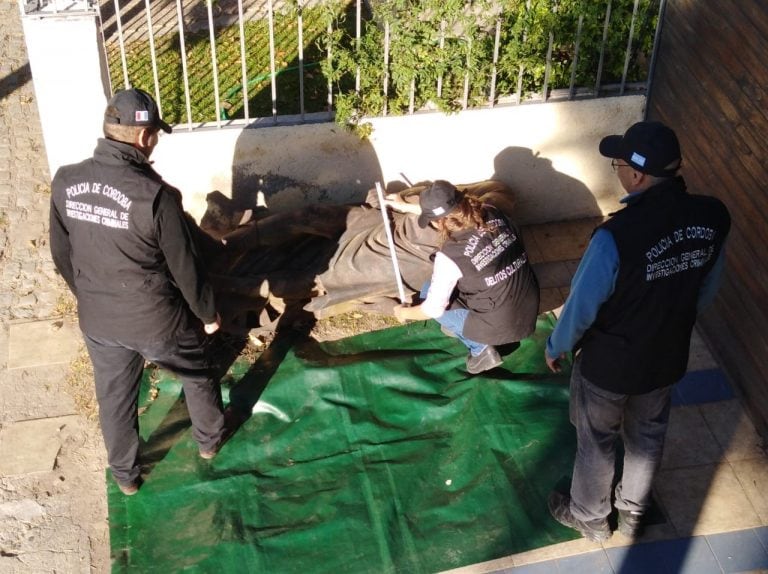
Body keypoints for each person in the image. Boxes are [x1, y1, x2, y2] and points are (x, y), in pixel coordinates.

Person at [544, 121, 730, 541]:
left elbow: (581, 306)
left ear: (638, 175)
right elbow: (708, 288)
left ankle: (591, 519)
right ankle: (634, 514)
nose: (619, 170)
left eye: (619, 163)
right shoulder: (713, 216)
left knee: (597, 441)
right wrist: (670, 322)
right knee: (647, 437)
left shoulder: (616, 236)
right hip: (666, 356)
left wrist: (557, 345)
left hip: (609, 365)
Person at [49, 88, 228, 496]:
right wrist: (207, 313)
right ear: (144, 137)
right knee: (196, 372)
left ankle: (126, 477)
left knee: (114, 397)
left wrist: (92, 295)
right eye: (155, 136)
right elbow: (186, 266)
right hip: (155, 320)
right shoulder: (156, 197)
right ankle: (209, 441)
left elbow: (61, 252)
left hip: (98, 318)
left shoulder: (66, 180)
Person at [386, 180, 540, 374]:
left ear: (437, 222)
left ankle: (482, 350)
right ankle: (470, 327)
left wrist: (403, 313)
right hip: (528, 306)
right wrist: (404, 206)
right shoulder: (492, 211)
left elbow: (431, 310)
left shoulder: (451, 255)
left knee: (427, 294)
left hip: (501, 323)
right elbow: (448, 212)